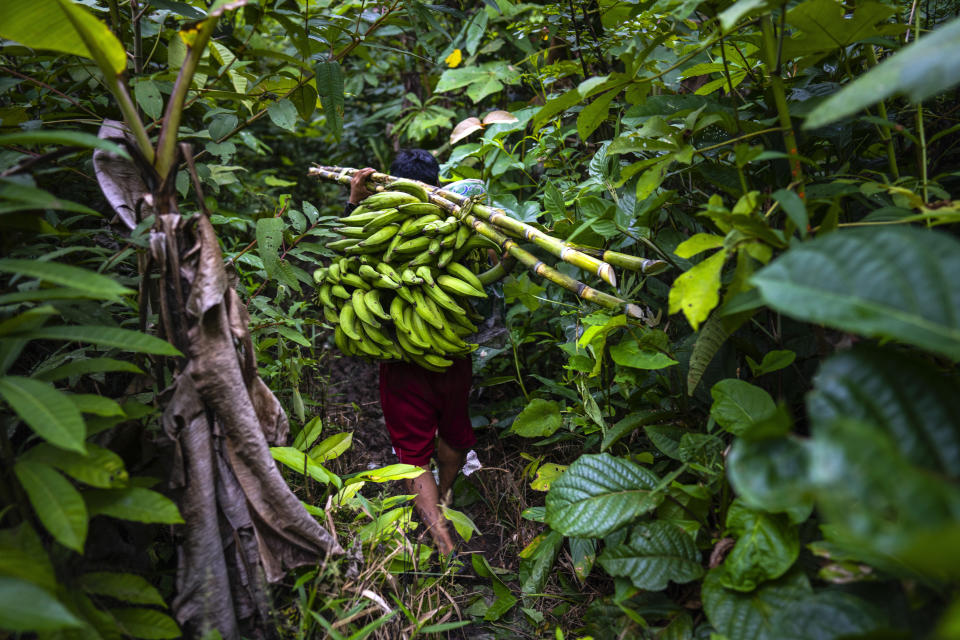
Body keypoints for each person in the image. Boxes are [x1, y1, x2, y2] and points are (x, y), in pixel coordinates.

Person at [346, 149, 475, 557]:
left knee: (414, 453)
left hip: (402, 358)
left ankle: (442, 540)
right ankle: (445, 496)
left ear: (387, 179)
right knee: (454, 432)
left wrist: (354, 199)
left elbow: (349, 260)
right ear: (436, 181)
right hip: (453, 353)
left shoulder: (374, 225)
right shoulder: (456, 219)